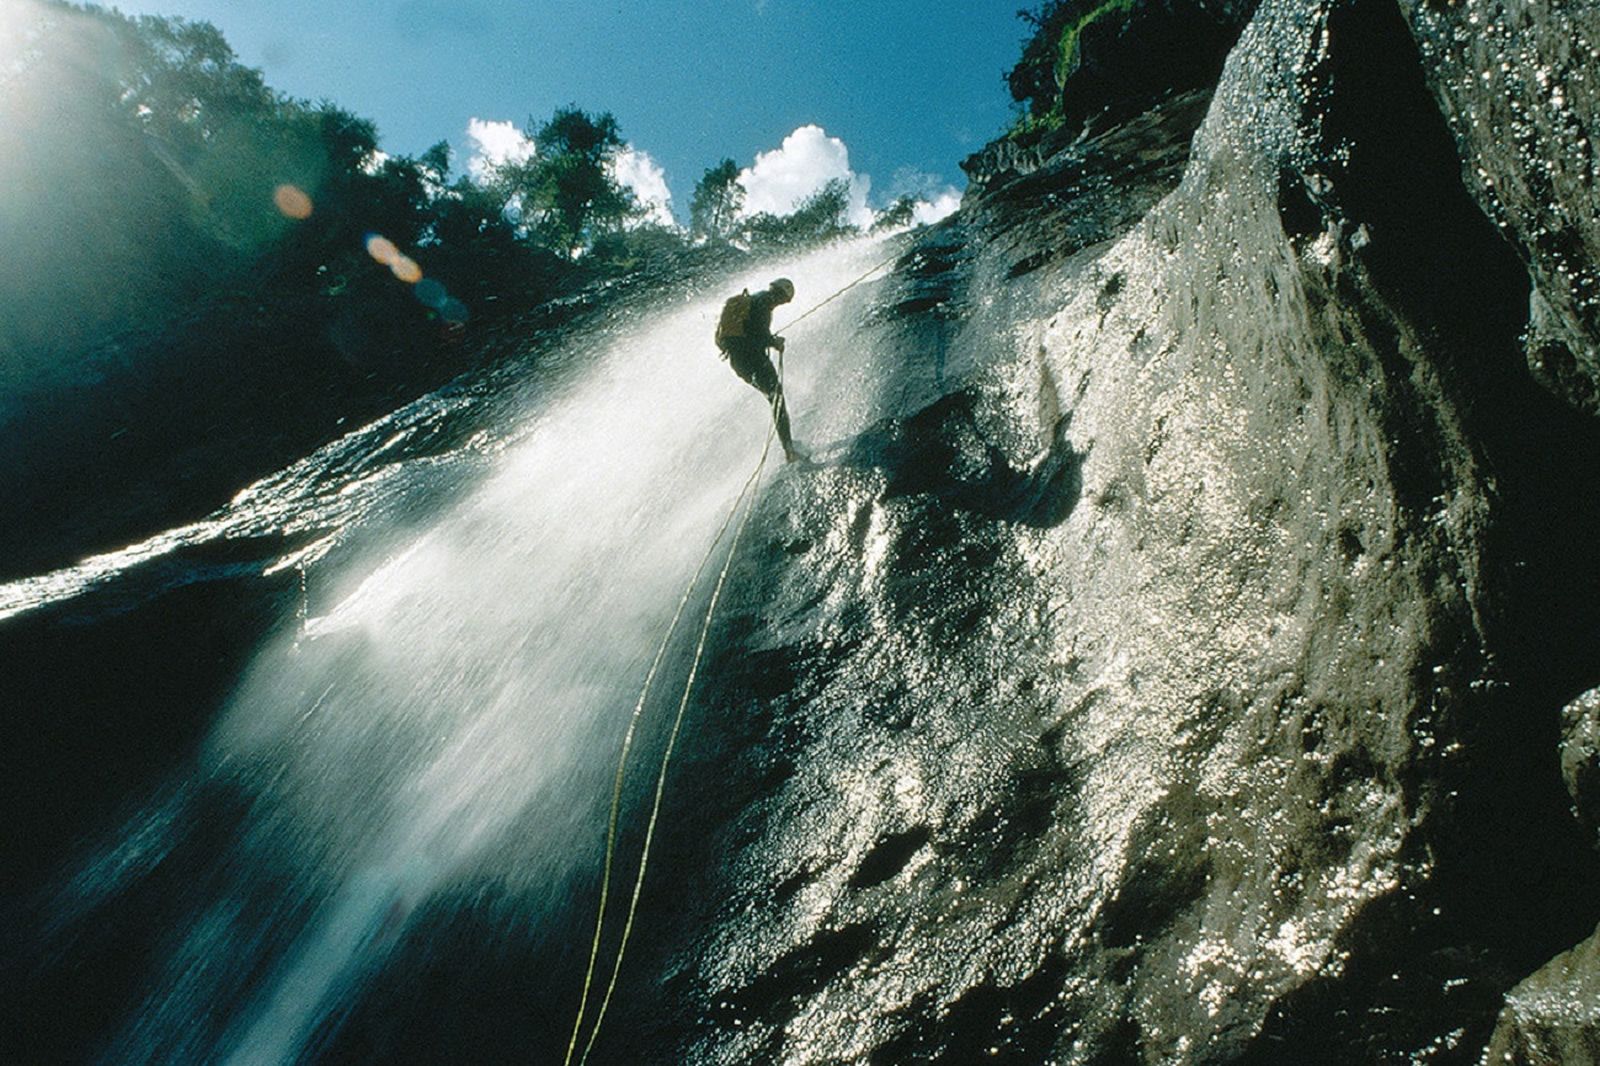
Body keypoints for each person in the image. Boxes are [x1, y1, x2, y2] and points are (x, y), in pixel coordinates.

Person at [716, 277, 805, 462]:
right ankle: (789, 449)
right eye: (784, 299)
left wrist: (770, 340)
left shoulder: (756, 299)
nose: (781, 303)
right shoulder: (764, 303)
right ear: (781, 294)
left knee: (774, 397)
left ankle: (788, 445)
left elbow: (753, 332)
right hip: (752, 359)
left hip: (739, 362)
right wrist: (774, 342)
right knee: (777, 398)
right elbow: (758, 334)